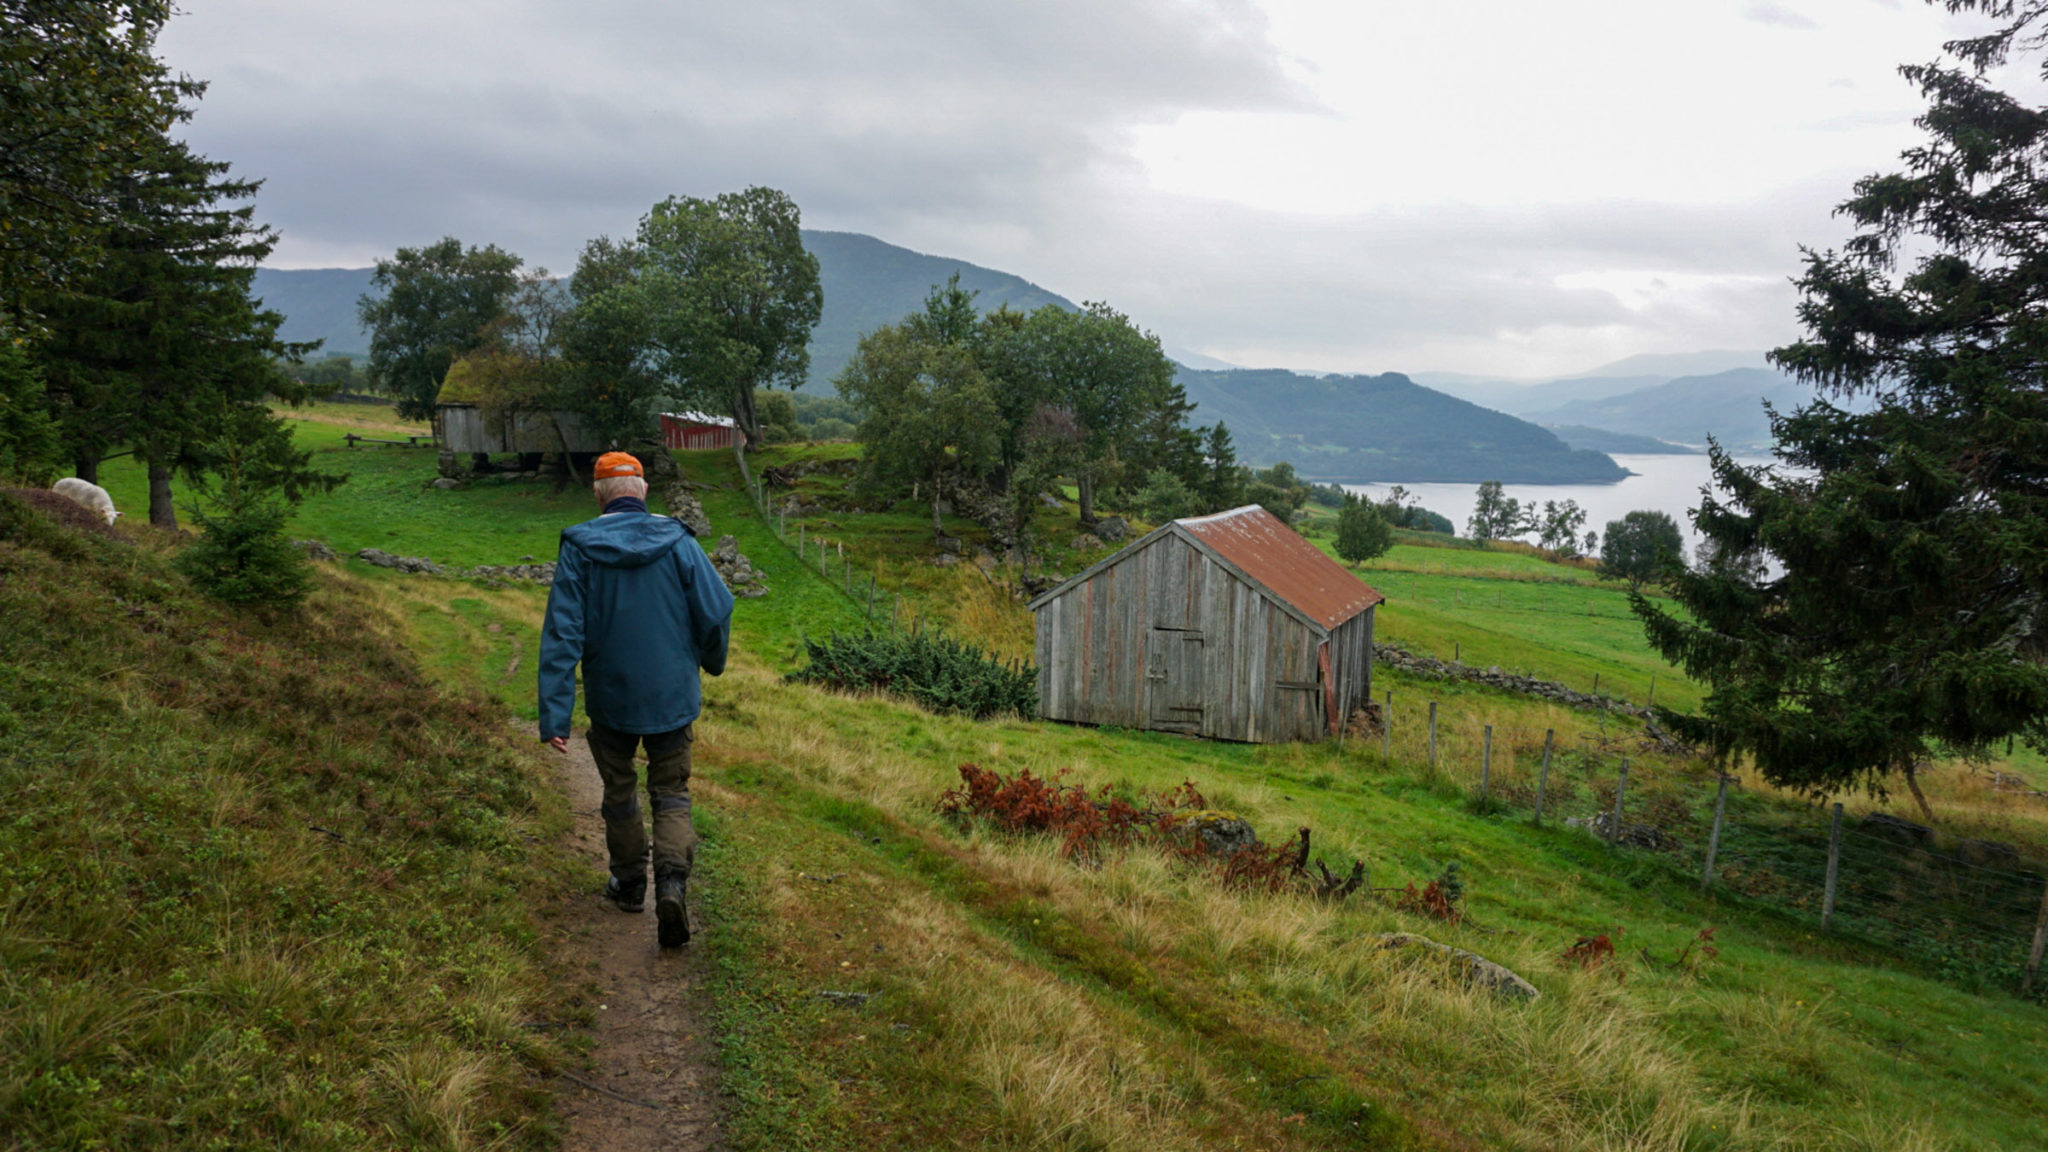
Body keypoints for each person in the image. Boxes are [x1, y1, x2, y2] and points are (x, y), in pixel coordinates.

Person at [539, 451, 735, 948]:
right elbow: (715, 610)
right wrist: (710, 662)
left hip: (612, 697)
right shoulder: (679, 541)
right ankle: (671, 885)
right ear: (642, 491)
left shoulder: (579, 546)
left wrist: (555, 714)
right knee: (671, 793)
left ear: (599, 495)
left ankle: (629, 886)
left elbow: (563, 633)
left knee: (621, 793)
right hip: (672, 694)